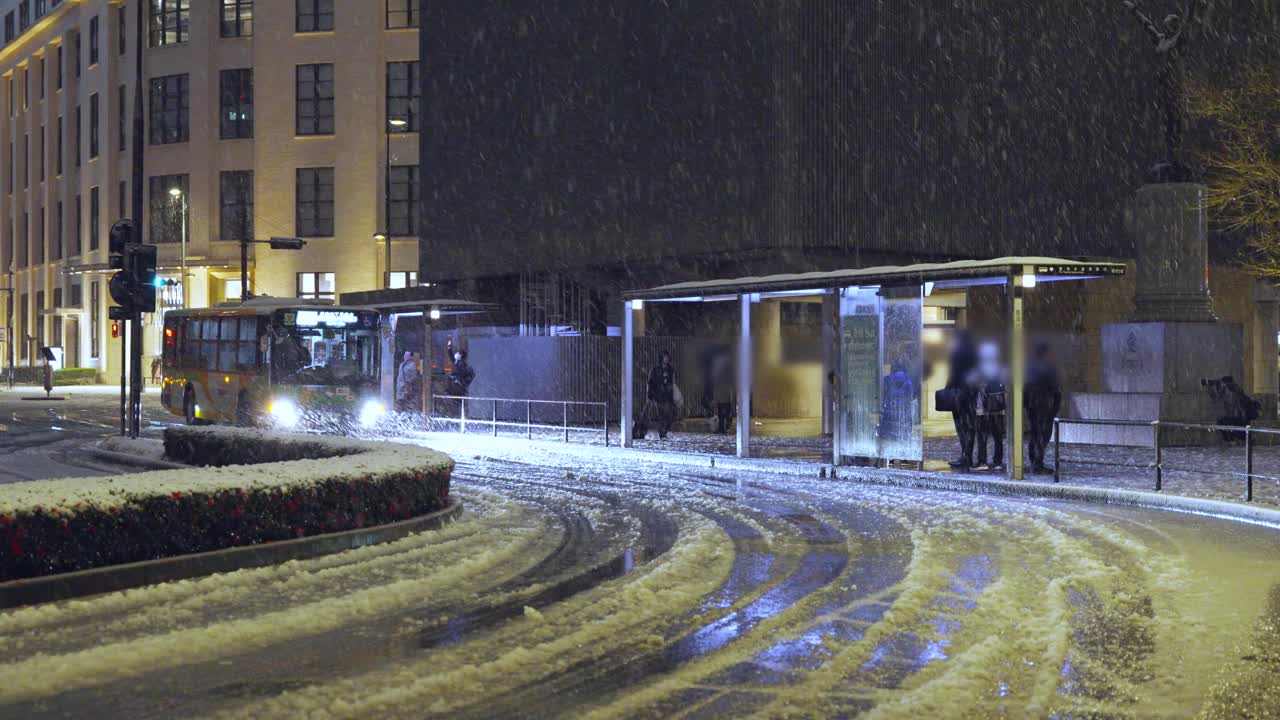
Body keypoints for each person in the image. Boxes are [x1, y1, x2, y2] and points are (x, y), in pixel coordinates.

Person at [1025, 342, 1063, 474]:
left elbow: (1024, 388)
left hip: (1032, 407)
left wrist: (1026, 405)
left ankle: (1033, 460)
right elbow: (1056, 390)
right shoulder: (1049, 367)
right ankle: (1038, 464)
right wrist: (1054, 409)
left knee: (1034, 433)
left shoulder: (1029, 367)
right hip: (1044, 407)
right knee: (1043, 435)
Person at [970, 341, 1007, 471]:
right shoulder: (1000, 369)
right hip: (998, 410)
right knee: (998, 437)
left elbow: (971, 381)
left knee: (982, 436)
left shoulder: (979, 369)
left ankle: (982, 462)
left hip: (982, 410)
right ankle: (997, 461)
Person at [945, 331, 979, 471]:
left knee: (961, 427)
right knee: (970, 427)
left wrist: (947, 389)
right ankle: (968, 457)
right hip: (971, 393)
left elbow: (953, 374)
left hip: (959, 394)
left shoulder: (957, 353)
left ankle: (965, 457)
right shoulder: (974, 354)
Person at [879, 360, 915, 450]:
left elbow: (883, 395)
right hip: (904, 415)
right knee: (902, 440)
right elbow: (912, 396)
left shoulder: (886, 379)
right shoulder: (909, 380)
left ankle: (890, 458)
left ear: (892, 369)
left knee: (888, 442)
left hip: (889, 414)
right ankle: (902, 456)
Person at [647, 350, 677, 439]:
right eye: (664, 357)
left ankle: (664, 430)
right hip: (658, 395)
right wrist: (650, 393)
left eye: (667, 357)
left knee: (671, 414)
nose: (666, 359)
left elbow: (673, 382)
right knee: (661, 414)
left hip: (668, 395)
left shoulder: (670, 369)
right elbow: (651, 382)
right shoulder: (655, 369)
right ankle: (662, 433)